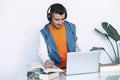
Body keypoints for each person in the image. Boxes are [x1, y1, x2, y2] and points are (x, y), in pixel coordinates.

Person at [38, 3, 83, 70]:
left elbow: (82, 49)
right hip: (56, 69)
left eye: (62, 19)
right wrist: (48, 61)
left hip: (73, 68)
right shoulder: (44, 32)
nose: (60, 22)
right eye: (57, 19)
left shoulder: (71, 27)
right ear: (50, 17)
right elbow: (42, 53)